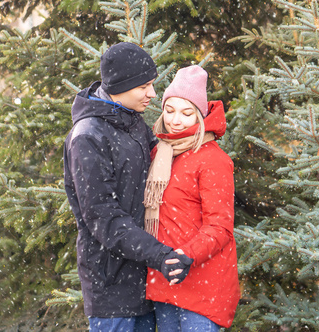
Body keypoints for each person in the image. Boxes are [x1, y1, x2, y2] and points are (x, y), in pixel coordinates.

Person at [63, 42, 193, 332]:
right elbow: (104, 218)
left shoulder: (132, 123)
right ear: (121, 86)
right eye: (144, 86)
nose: (152, 94)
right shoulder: (88, 137)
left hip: (144, 281)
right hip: (111, 287)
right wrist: (160, 254)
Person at [144, 65, 240, 331]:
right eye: (169, 110)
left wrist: (187, 255)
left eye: (187, 113)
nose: (175, 120)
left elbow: (220, 226)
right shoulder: (160, 154)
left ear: (199, 115)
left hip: (202, 283)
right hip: (165, 279)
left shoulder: (213, 160)